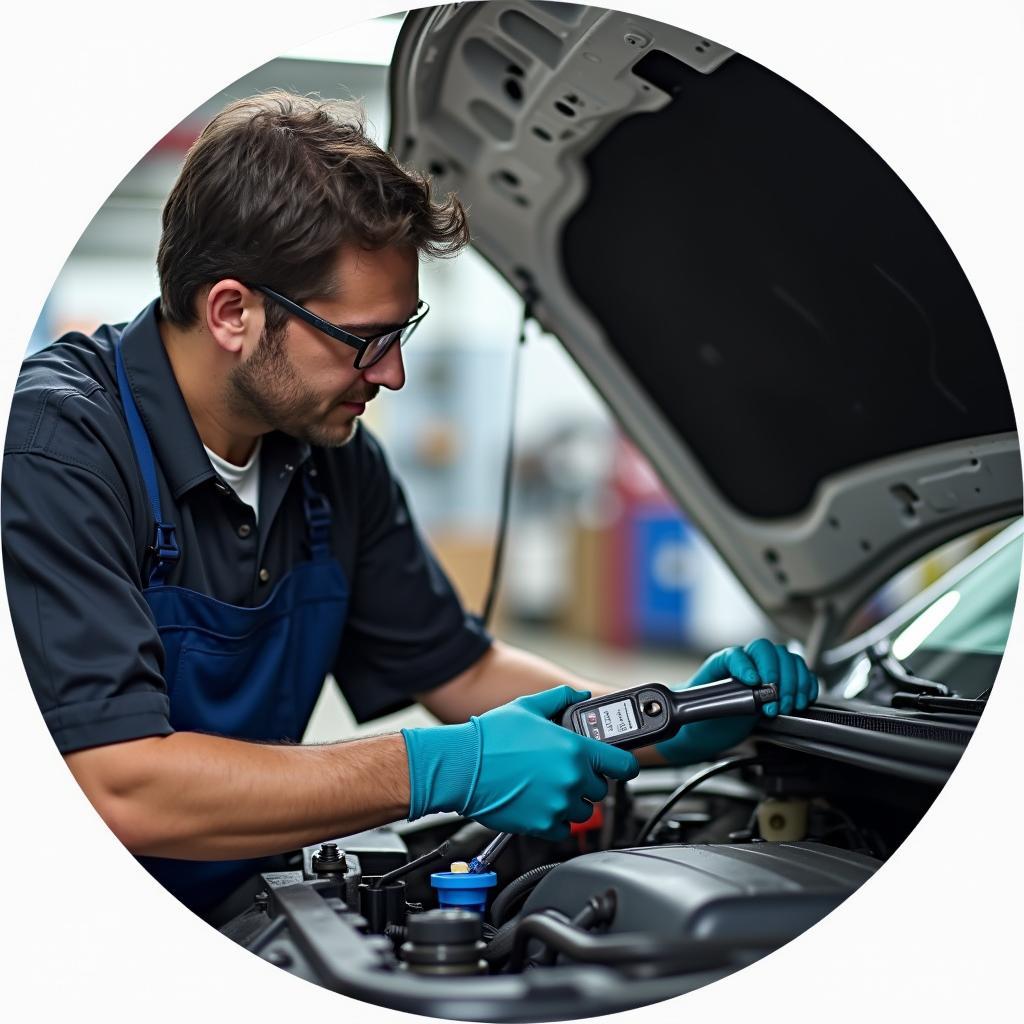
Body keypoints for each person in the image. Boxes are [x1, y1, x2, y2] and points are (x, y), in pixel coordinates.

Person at [2, 91, 819, 918]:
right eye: (365, 341)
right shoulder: (56, 448)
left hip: (250, 906)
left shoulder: (332, 462)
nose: (391, 374)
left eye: (403, 332)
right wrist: (442, 768)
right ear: (232, 313)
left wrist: (666, 717)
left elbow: (462, 670)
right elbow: (116, 785)